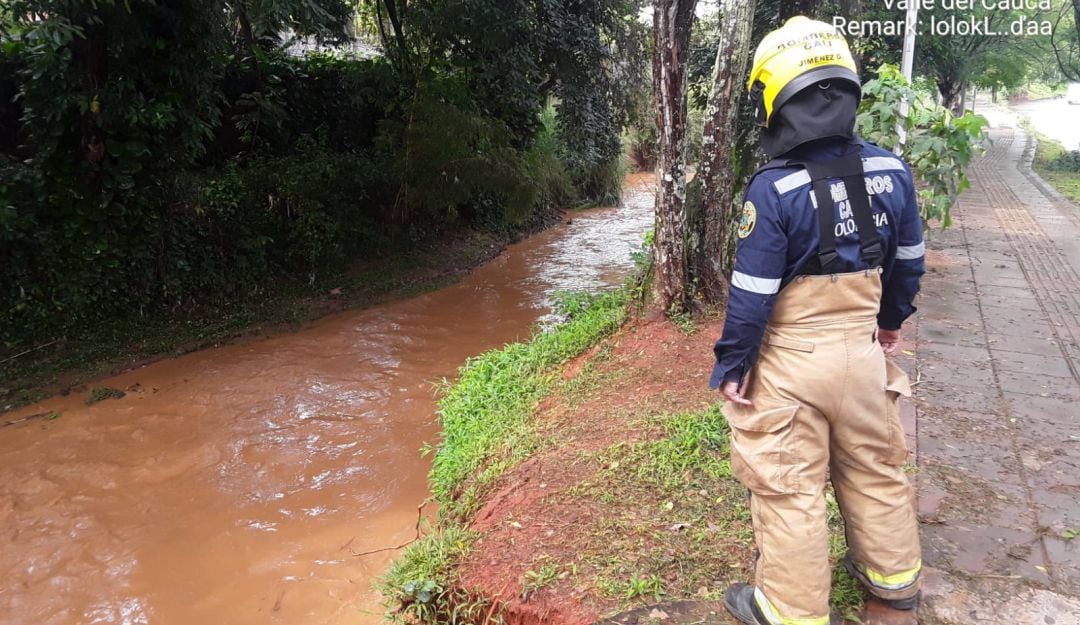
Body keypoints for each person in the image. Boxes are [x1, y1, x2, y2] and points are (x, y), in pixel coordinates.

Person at [710, 16, 926, 625]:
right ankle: (894, 582)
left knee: (788, 488)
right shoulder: (893, 172)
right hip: (861, 355)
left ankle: (790, 610)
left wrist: (733, 364)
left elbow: (751, 296)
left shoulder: (773, 190)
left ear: (777, 100)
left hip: (790, 366)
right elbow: (909, 264)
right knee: (874, 467)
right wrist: (889, 322)